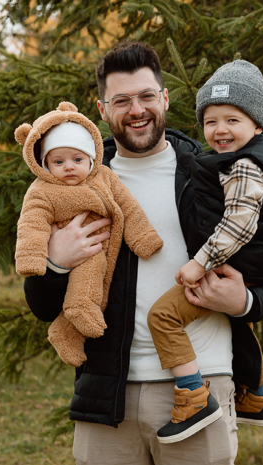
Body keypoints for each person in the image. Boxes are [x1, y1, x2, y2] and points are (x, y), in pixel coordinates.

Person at [24, 41, 263, 465]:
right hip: (107, 395)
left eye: (147, 96)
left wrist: (245, 301)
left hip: (201, 386)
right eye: (122, 100)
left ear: (165, 99)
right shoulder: (73, 185)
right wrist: (57, 261)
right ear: (102, 109)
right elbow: (40, 305)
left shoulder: (212, 171)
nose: (137, 109)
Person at [148, 60, 263, 445]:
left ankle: (193, 396)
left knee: (164, 316)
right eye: (211, 121)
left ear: (257, 125)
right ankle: (259, 395)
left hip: (238, 266)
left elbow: (239, 225)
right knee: (238, 323)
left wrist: (199, 264)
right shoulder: (250, 158)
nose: (220, 130)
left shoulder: (247, 165)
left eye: (233, 120)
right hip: (251, 267)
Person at [13, 102, 163, 367]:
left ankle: (65, 332)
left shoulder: (105, 177)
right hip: (77, 254)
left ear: (92, 158)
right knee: (89, 283)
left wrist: (143, 237)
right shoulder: (42, 191)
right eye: (58, 161)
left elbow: (129, 207)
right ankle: (77, 308)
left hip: (105, 246)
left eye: (77, 159)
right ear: (44, 164)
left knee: (101, 289)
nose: (69, 167)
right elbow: (31, 224)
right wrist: (31, 257)